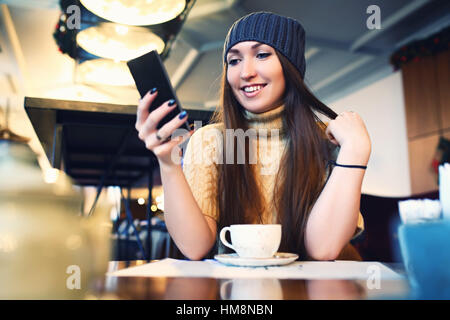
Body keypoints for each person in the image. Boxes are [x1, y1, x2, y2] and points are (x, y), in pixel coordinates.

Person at [135, 12, 371, 261]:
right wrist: (168, 163)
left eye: (261, 55)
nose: (245, 72)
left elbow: (322, 250)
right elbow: (196, 248)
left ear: (290, 66)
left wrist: (356, 151)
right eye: (234, 61)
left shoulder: (328, 141)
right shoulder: (211, 141)